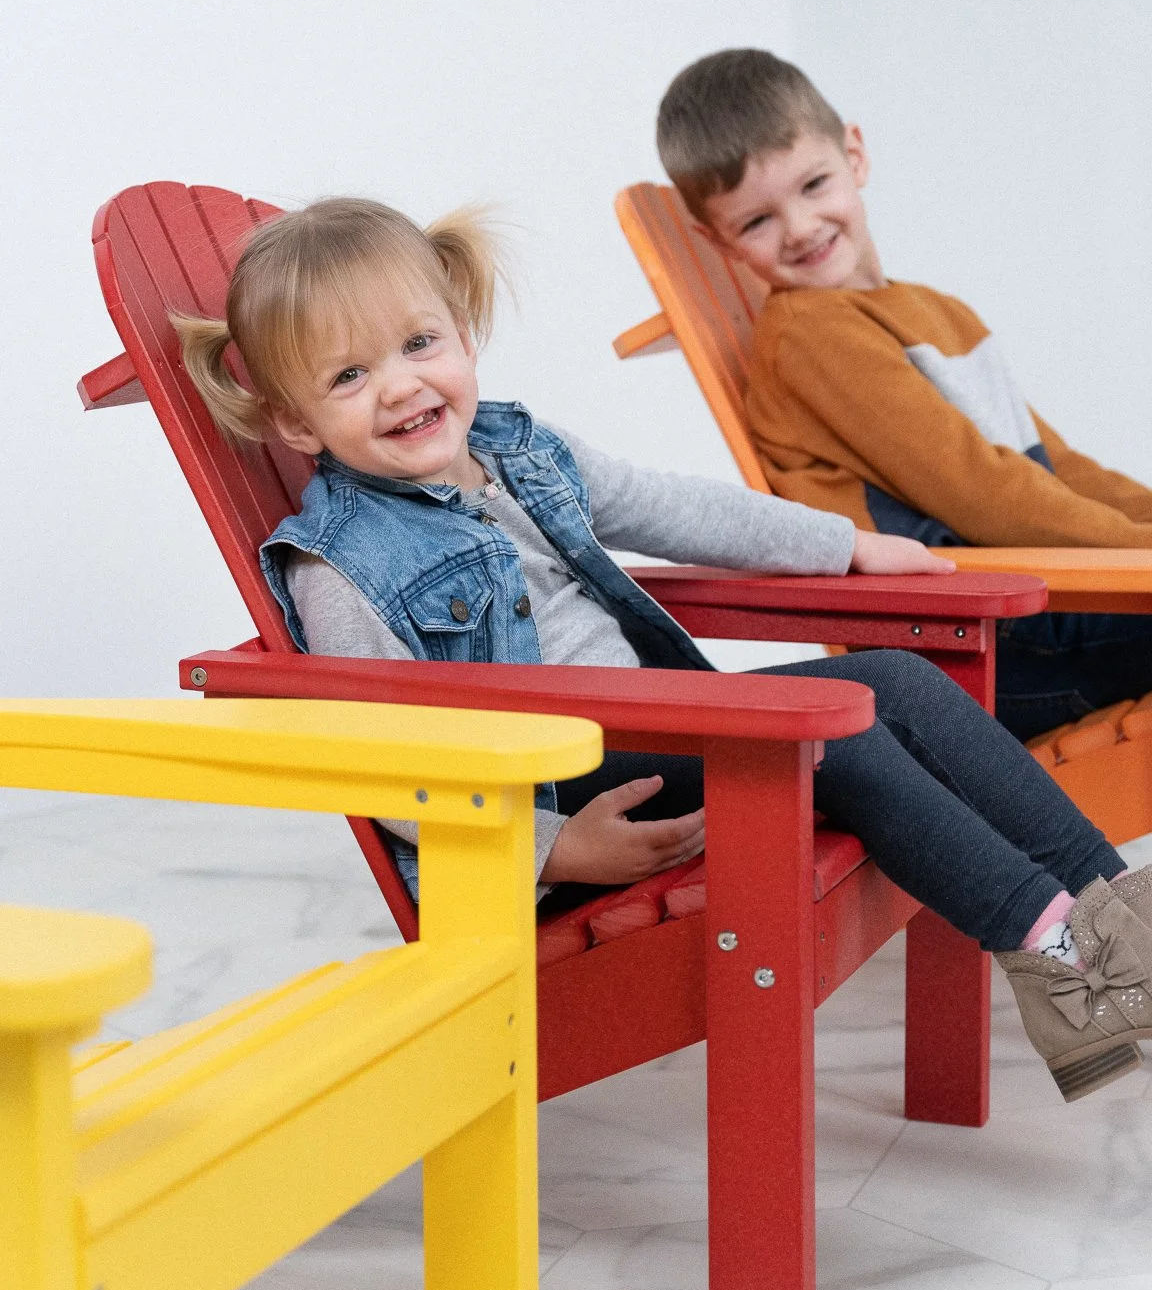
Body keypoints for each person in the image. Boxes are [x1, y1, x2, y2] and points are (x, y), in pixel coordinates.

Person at [176, 195, 1152, 1100]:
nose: (400, 385)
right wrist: (558, 850)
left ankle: (1121, 924)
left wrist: (846, 546)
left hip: (665, 728)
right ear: (297, 420)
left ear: (461, 334)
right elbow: (387, 766)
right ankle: (1067, 959)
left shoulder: (522, 449)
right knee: (830, 736)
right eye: (349, 376)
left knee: (896, 678)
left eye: (417, 342)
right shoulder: (338, 565)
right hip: (567, 785)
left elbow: (672, 505)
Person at [657, 47, 1152, 746]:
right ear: (718, 241)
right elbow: (985, 493)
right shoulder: (812, 336)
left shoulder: (936, 311)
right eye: (756, 222)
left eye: (814, 184)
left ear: (854, 155)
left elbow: (1058, 469)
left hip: (1041, 607)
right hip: (983, 651)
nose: (799, 228)